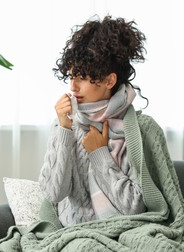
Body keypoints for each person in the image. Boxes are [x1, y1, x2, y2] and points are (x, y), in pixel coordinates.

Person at [39, 15, 156, 227]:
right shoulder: (64, 123)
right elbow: (53, 194)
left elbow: (134, 208)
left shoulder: (134, 130)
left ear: (109, 80)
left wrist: (99, 153)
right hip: (74, 234)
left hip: (122, 232)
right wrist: (65, 130)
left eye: (82, 78)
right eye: (70, 76)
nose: (73, 87)